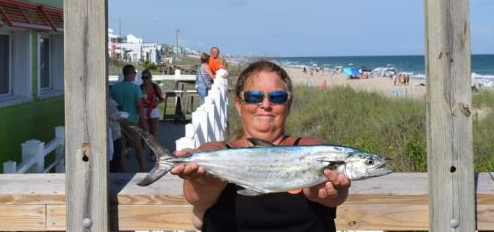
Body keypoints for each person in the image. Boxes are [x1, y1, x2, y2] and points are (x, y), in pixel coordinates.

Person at [171, 60, 351, 231]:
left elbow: (336, 193)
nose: (265, 105)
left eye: (277, 97)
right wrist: (206, 181)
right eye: (254, 97)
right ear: (238, 104)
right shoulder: (217, 150)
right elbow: (195, 197)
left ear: (288, 105)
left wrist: (329, 193)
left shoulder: (311, 148)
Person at [110, 64, 147, 172]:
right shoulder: (135, 88)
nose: (135, 75)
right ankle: (143, 170)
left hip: (118, 121)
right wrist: (143, 123)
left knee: (122, 148)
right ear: (130, 74)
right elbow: (140, 106)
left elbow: (111, 104)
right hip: (132, 121)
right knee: (138, 147)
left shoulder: (115, 88)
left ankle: (124, 172)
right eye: (134, 73)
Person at [140, 68, 165, 159]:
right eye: (143, 78)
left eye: (146, 77)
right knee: (143, 132)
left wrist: (156, 103)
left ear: (150, 77)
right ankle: (141, 152)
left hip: (153, 111)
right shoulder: (140, 87)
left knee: (152, 133)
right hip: (144, 111)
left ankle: (152, 153)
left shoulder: (155, 87)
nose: (145, 79)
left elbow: (162, 98)